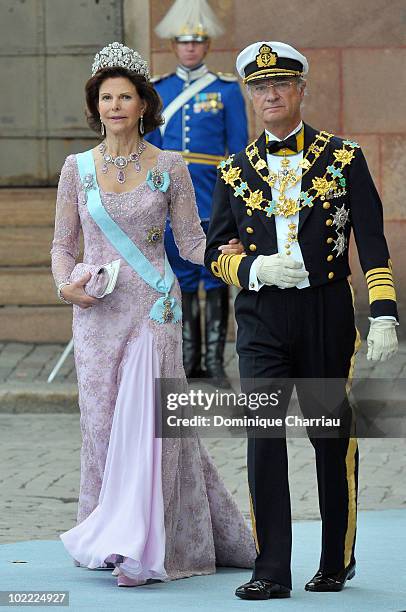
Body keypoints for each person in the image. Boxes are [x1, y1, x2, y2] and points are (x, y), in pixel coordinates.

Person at [51, 41, 255, 588]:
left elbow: (191, 242)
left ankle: (142, 545)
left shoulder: (170, 166)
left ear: (145, 103)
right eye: (106, 97)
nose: (115, 106)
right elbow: (62, 248)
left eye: (126, 96)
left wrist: (237, 259)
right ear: (95, 107)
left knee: (150, 431)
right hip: (95, 316)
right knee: (100, 427)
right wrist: (65, 287)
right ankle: (101, 535)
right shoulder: (77, 168)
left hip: (154, 308)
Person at [205, 41, 399, 600]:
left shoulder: (344, 157)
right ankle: (270, 570)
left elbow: (374, 241)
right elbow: (216, 251)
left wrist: (383, 313)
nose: (271, 94)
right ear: (250, 95)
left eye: (281, 85)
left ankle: (336, 560)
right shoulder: (234, 170)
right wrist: (256, 268)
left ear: (301, 90)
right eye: (260, 87)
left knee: (329, 437)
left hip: (325, 314)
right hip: (262, 318)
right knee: (263, 437)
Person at [146, 0, 248, 385]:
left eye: (197, 42)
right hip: (172, 199)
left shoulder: (225, 90)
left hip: (213, 197)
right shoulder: (159, 90)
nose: (190, 48)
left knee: (217, 277)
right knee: (183, 281)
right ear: (174, 45)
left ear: (206, 46)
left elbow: (238, 151)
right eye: (184, 42)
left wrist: (235, 206)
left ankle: (215, 361)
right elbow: (151, 152)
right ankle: (189, 360)